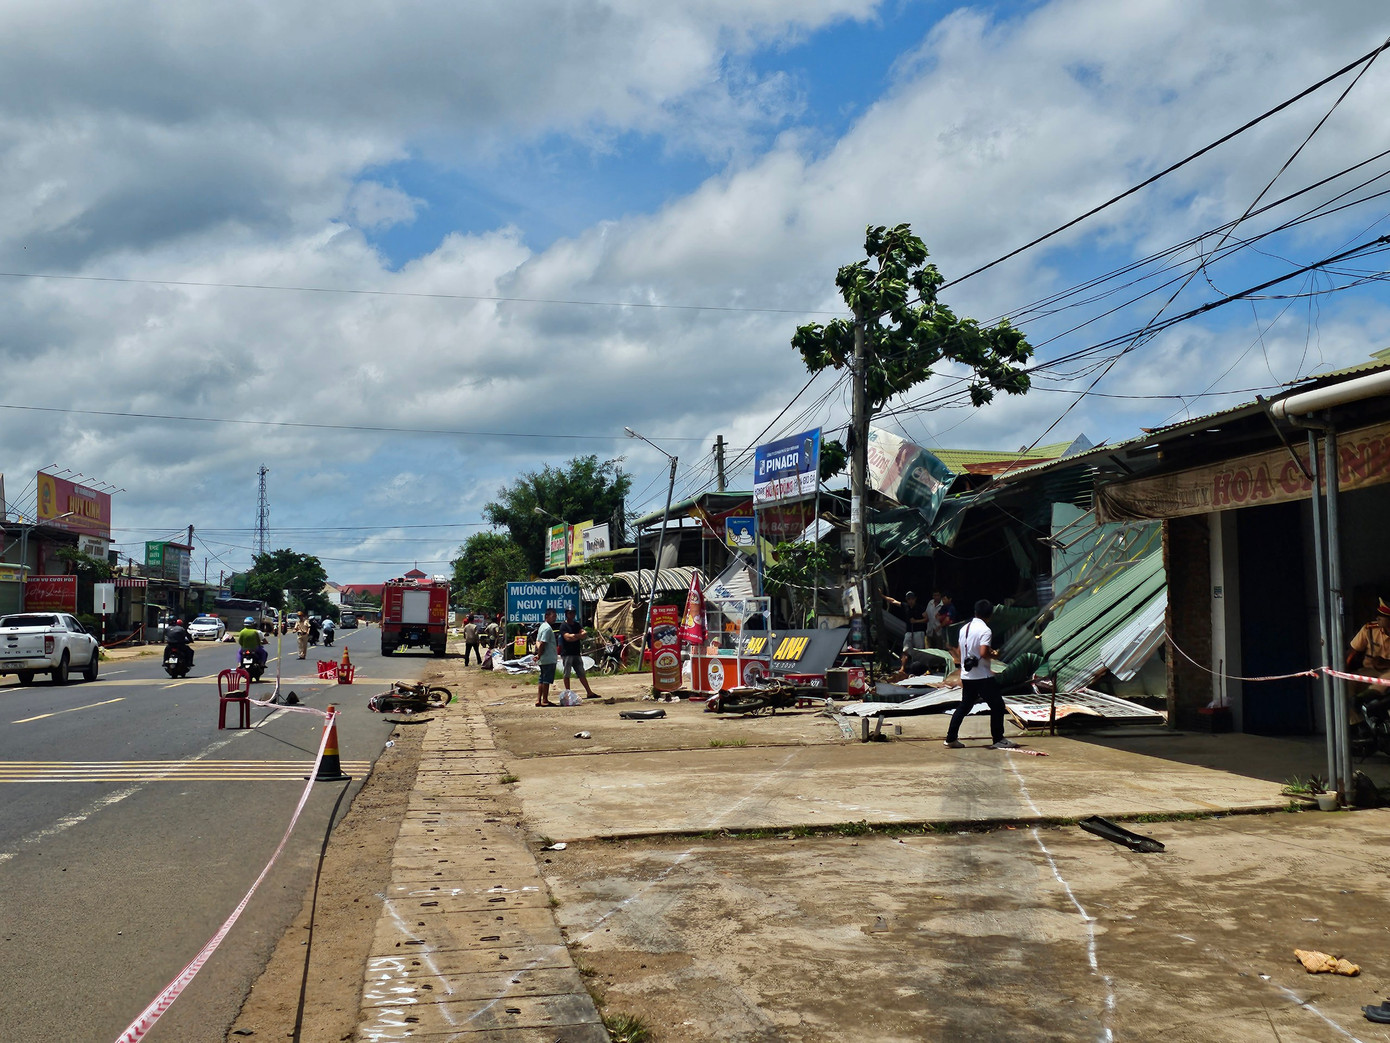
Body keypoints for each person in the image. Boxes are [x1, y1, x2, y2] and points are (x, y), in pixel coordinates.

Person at [944, 599, 1017, 750]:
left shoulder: (964, 628)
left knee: (964, 706)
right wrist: (995, 654)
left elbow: (959, 651)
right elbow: (983, 652)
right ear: (989, 615)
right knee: (997, 705)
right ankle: (998, 738)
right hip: (982, 676)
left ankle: (951, 738)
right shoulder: (985, 630)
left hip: (967, 675)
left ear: (975, 612)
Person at [884, 590, 931, 673]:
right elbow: (893, 601)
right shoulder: (906, 606)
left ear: (915, 599)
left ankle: (922, 668)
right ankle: (903, 668)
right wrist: (882, 596)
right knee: (905, 650)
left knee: (920, 651)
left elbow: (926, 619)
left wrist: (916, 621)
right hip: (909, 632)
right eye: (909, 599)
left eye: (912, 599)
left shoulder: (919, 608)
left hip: (918, 632)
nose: (910, 601)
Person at [558, 606, 598, 699]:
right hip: (567, 653)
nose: (572, 614)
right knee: (566, 674)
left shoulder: (577, 625)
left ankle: (589, 692)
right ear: (566, 614)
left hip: (576, 653)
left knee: (581, 673)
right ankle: (568, 694)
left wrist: (575, 636)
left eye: (573, 613)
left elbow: (584, 634)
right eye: (570, 613)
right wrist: (578, 636)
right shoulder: (563, 625)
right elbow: (567, 638)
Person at [534, 608, 558, 707]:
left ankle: (538, 699)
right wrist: (539, 655)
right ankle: (545, 700)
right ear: (546, 616)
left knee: (541, 679)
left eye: (555, 617)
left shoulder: (542, 626)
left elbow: (538, 642)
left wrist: (539, 655)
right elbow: (543, 643)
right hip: (548, 658)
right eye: (553, 616)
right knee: (546, 680)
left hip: (544, 658)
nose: (555, 619)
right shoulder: (547, 629)